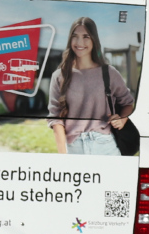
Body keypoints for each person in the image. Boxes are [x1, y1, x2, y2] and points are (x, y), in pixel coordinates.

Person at [47, 17, 134, 155]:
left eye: (86, 37)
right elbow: (55, 118)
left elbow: (128, 103)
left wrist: (122, 120)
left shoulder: (109, 73)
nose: (79, 42)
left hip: (106, 146)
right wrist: (63, 156)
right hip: (74, 148)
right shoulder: (59, 76)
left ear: (94, 39)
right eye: (75, 36)